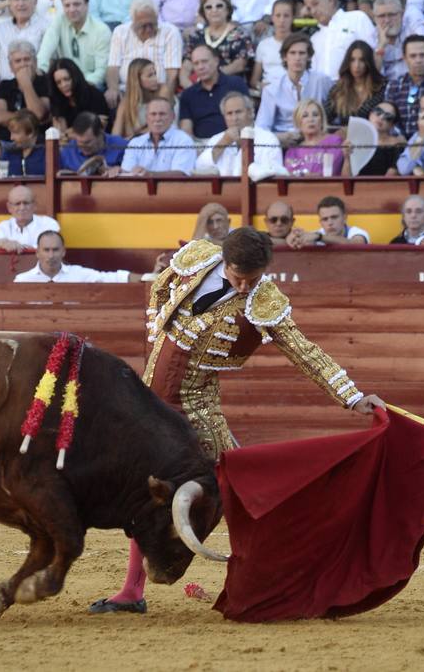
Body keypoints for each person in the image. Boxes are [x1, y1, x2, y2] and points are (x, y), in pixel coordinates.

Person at [89, 225, 384, 614]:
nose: (245, 287)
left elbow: (304, 352)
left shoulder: (264, 301)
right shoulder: (197, 258)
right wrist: (157, 326)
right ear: (223, 261)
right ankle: (131, 591)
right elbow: (160, 286)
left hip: (195, 405)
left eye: (254, 279)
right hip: (149, 404)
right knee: (147, 491)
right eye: (238, 278)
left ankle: (279, 576)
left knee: (237, 487)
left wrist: (352, 396)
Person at [256, 33, 332, 144]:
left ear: (309, 57)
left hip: (316, 139)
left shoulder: (322, 81)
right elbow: (261, 127)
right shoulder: (272, 88)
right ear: (284, 57)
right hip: (284, 141)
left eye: (302, 53)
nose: (297, 58)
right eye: (292, 53)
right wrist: (279, 137)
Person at [106, 0, 182, 104]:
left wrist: (165, 97)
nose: (149, 29)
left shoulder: (171, 32)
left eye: (152, 24)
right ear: (133, 22)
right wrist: (113, 89)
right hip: (127, 92)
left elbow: (172, 73)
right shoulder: (120, 32)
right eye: (143, 26)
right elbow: (113, 67)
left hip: (158, 92)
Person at [195, 91, 285, 178]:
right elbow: (200, 167)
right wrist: (223, 143)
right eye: (229, 114)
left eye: (238, 112)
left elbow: (273, 173)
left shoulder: (268, 139)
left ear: (250, 113)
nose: (234, 118)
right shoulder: (217, 139)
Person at [36, 0, 111, 90]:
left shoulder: (101, 30)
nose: (71, 9)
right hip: (64, 83)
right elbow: (45, 50)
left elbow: (101, 71)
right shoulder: (59, 21)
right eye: (67, 5)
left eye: (77, 4)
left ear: (87, 5)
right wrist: (40, 70)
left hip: (90, 84)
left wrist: (79, 85)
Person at [182, 0, 254, 86]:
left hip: (230, 90)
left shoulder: (240, 35)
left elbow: (239, 65)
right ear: (203, 12)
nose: (214, 10)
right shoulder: (196, 36)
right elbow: (186, 68)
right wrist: (193, 89)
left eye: (219, 6)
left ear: (228, 9)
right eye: (208, 7)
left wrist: (209, 80)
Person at [302, 0, 376, 81]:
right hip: (323, 92)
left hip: (353, 86)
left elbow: (371, 55)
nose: (313, 11)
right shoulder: (315, 38)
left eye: (315, 4)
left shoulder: (357, 18)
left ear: (331, 0)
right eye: (309, 8)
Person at [179, 44, 249, 140]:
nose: (200, 67)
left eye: (204, 62)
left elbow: (248, 118)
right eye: (196, 63)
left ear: (216, 61)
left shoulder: (235, 84)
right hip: (201, 146)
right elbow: (186, 131)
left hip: (235, 141)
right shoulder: (188, 94)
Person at [0, 0, 46, 86]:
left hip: (36, 86)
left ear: (35, 0)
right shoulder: (0, 28)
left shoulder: (47, 26)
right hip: (6, 89)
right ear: (10, 2)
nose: (20, 3)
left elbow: (49, 62)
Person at [14, 230, 132, 282]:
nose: (51, 255)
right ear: (37, 253)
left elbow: (113, 278)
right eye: (46, 250)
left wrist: (147, 278)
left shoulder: (78, 274)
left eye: (55, 250)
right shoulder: (22, 280)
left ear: (63, 252)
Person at [0, 40, 49, 142]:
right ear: (11, 66)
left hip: (35, 142)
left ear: (35, 62)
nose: (23, 64)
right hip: (5, 141)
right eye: (18, 61)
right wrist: (28, 119)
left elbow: (39, 115)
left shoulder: (46, 83)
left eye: (27, 59)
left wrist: (26, 84)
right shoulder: (4, 86)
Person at [120, 97, 196, 176]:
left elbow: (181, 174)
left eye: (162, 114)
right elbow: (127, 173)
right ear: (146, 118)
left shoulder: (183, 140)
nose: (157, 119)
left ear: (173, 117)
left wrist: (150, 175)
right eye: (153, 114)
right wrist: (117, 171)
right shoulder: (135, 142)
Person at [324, 40, 385, 126]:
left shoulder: (382, 87)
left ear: (368, 62)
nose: (357, 65)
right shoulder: (338, 89)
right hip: (345, 137)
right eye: (352, 60)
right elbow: (324, 118)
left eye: (362, 60)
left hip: (374, 136)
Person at [372, 0, 424, 82]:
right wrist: (381, 45)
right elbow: (372, 75)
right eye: (382, 16)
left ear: (402, 14)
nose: (387, 20)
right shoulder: (371, 37)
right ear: (375, 19)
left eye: (391, 15)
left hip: (414, 82)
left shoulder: (412, 29)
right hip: (385, 89)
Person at [342, 100, 406, 176]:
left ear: (392, 125)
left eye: (388, 117)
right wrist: (347, 157)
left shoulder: (398, 145)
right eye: (378, 111)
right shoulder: (356, 142)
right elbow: (346, 178)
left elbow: (390, 178)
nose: (381, 117)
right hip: (357, 186)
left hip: (383, 187)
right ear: (370, 114)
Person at [47, 57, 108, 137]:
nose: (64, 85)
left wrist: (68, 134)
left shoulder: (94, 94)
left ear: (75, 77)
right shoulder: (57, 99)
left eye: (67, 79)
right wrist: (66, 135)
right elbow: (60, 134)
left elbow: (100, 125)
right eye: (58, 82)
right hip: (70, 145)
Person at [0, 183, 59, 251]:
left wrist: (20, 247)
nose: (22, 208)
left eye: (26, 203)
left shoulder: (49, 223)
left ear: (34, 205)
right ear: (9, 207)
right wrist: (2, 243)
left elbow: (49, 248)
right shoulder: (4, 226)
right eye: (17, 204)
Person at [284, 99, 344, 177]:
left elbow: (330, 172)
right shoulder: (292, 151)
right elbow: (290, 176)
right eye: (305, 116)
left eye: (315, 115)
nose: (311, 119)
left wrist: (303, 175)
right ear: (298, 122)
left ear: (322, 120)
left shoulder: (334, 141)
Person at [111, 57, 168, 138]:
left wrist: (135, 137)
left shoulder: (162, 90)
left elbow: (165, 125)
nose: (155, 78)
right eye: (150, 75)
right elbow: (115, 136)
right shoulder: (126, 102)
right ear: (137, 80)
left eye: (155, 73)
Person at [59, 111, 127, 175]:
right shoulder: (68, 151)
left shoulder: (121, 146)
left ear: (100, 134)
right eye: (79, 142)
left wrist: (121, 170)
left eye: (87, 142)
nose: (83, 146)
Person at [286, 196, 370, 247]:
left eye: (334, 217)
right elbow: (303, 241)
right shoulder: (315, 235)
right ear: (320, 222)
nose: (330, 223)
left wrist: (320, 237)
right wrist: (293, 238)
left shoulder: (356, 232)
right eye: (325, 219)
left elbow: (356, 244)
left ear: (345, 217)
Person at [251, 0, 294, 91]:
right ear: (272, 18)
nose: (282, 20)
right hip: (269, 94)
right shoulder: (263, 45)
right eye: (278, 15)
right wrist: (261, 86)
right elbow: (254, 81)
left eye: (286, 16)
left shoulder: (300, 44)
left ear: (292, 18)